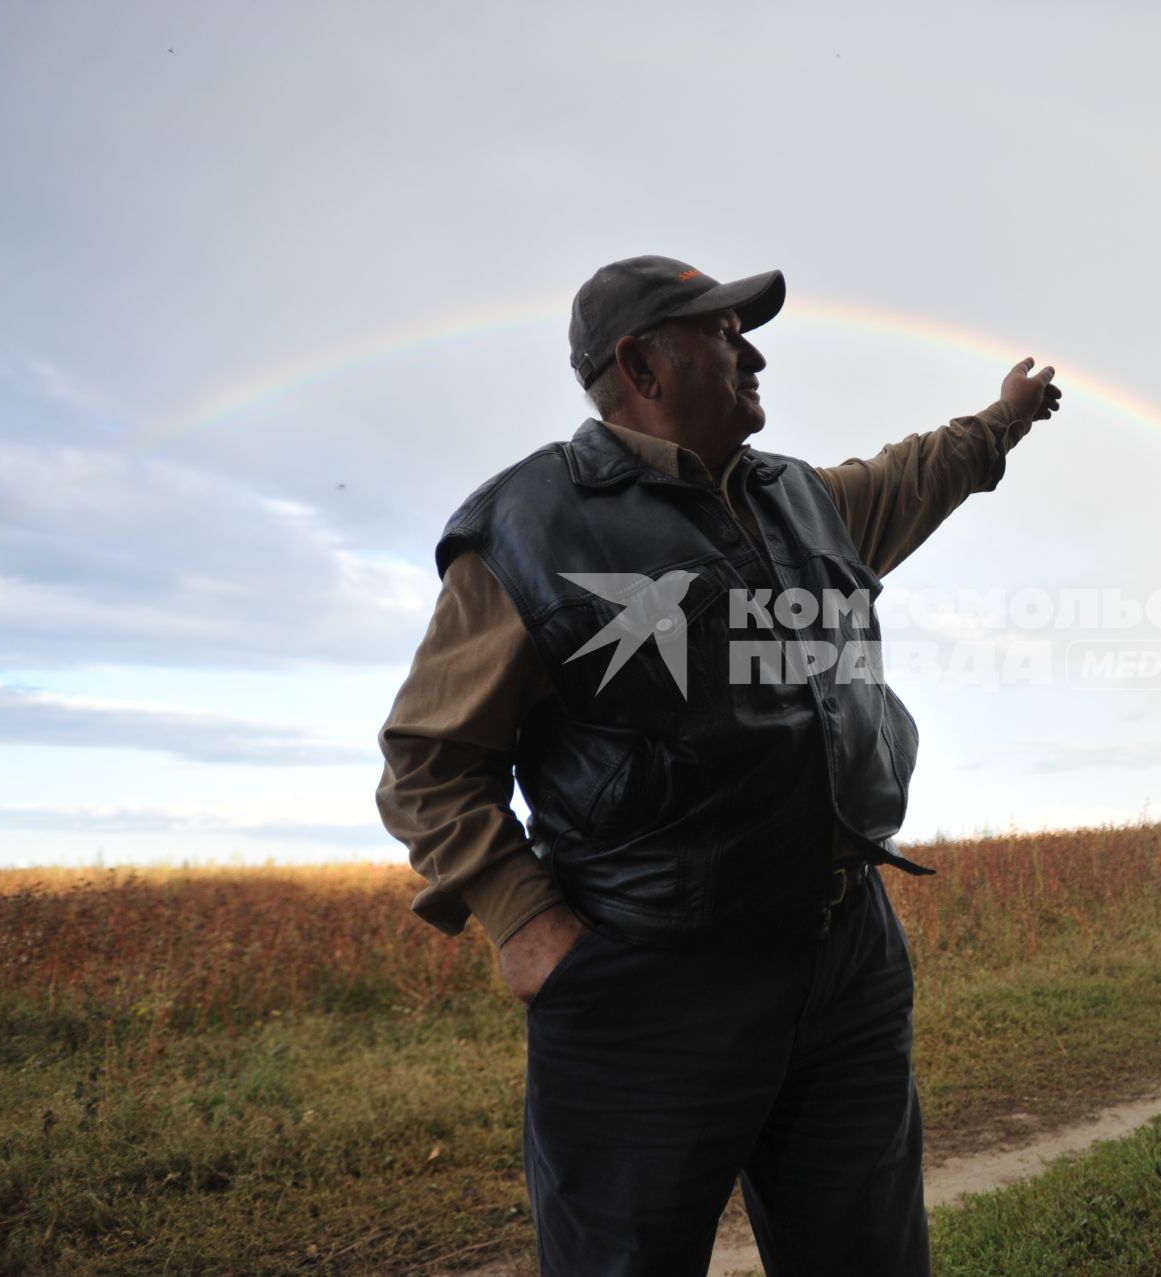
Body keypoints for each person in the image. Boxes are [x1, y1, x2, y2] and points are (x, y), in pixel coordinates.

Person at [374, 254, 1062, 1276]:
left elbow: (922, 470)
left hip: (846, 958)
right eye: (725, 332)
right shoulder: (527, 528)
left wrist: (1002, 418)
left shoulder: (806, 500)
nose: (754, 351)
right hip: (651, 981)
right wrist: (523, 919)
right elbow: (428, 759)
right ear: (641, 362)